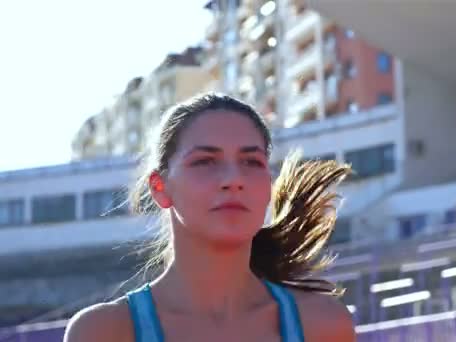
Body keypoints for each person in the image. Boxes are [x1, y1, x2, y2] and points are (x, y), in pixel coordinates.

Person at [63, 93, 356, 341]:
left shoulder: (322, 326)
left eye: (251, 162)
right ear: (160, 188)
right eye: (205, 161)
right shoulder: (104, 333)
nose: (233, 179)